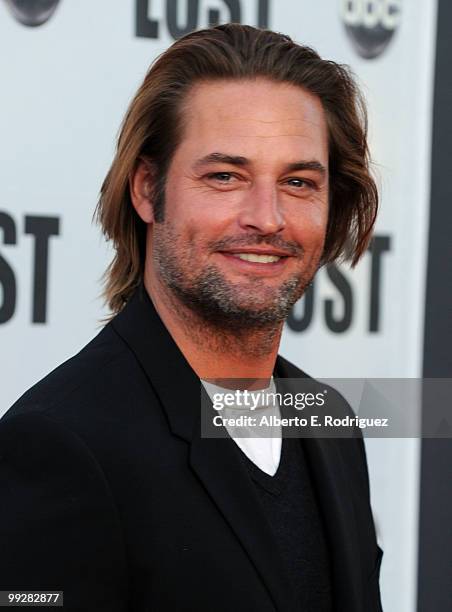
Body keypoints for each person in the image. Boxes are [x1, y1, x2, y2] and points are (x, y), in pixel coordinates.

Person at [0, 24, 383, 612]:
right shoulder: (62, 442)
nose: (268, 218)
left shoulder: (329, 421)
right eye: (225, 176)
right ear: (148, 190)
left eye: (299, 181)